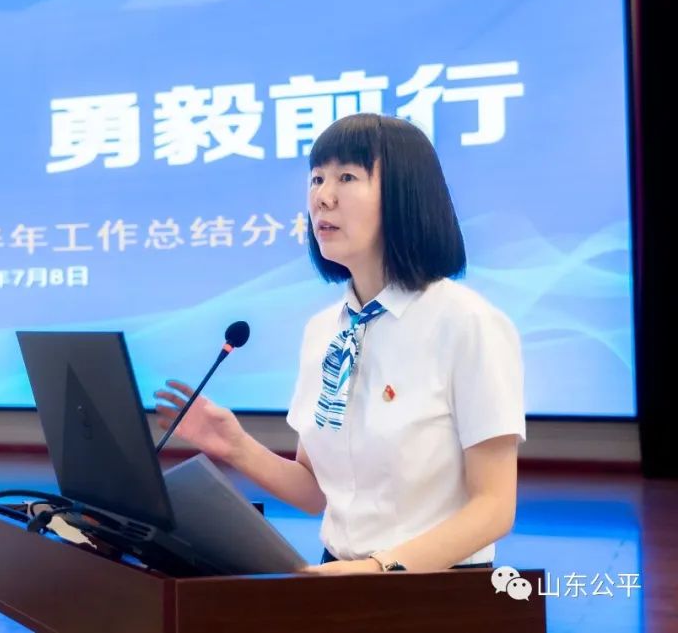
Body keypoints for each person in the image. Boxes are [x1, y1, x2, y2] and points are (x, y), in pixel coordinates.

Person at [155, 113, 525, 574]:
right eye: (316, 178)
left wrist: (380, 569)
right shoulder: (324, 331)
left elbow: (493, 508)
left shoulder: (469, 324)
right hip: (339, 577)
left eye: (346, 177)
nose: (322, 197)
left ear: (405, 194)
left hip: (434, 588)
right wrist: (235, 446)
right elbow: (316, 491)